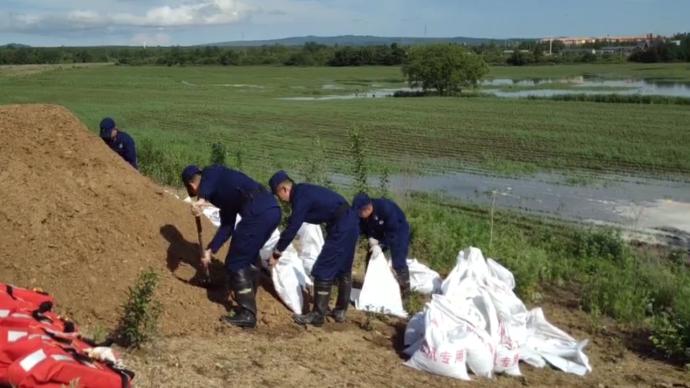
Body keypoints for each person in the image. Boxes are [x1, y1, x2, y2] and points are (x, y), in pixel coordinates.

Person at [181, 164, 281, 328]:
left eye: (195, 192)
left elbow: (208, 178)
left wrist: (201, 200)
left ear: (192, 186)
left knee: (236, 261)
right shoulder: (223, 190)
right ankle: (249, 296)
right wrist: (210, 250)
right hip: (272, 210)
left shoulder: (211, 173)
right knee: (249, 254)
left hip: (258, 211)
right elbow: (227, 225)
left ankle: (247, 314)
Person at [268, 171, 359, 326]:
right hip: (351, 222)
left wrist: (277, 253)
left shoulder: (300, 197)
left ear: (283, 189)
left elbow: (293, 227)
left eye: (278, 196)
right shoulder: (304, 191)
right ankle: (340, 311)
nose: (281, 200)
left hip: (342, 225)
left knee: (323, 268)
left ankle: (318, 315)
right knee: (344, 269)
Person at [352, 192, 411, 301]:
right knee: (371, 257)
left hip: (398, 231)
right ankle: (372, 287)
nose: (358, 215)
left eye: (360, 212)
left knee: (398, 262)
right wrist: (370, 238)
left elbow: (393, 232)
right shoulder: (362, 215)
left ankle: (405, 294)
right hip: (378, 231)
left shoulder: (386, 208)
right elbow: (361, 229)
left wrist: (381, 245)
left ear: (368, 208)